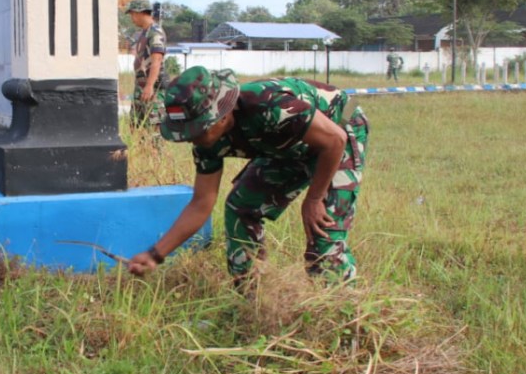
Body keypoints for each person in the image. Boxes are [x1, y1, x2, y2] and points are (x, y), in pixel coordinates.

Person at [127, 66, 369, 287]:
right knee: (241, 206)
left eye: (197, 130)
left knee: (322, 228)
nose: (192, 139)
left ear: (221, 116)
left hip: (340, 128)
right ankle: (253, 297)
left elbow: (334, 139)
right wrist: (155, 254)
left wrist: (315, 199)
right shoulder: (206, 142)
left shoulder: (269, 105)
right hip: (288, 145)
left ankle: (344, 317)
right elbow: (201, 203)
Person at [126, 0, 168, 129]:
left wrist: (149, 86)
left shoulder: (155, 32)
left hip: (152, 90)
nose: (132, 19)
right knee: (137, 128)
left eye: (132, 14)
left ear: (140, 13)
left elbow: (157, 61)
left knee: (153, 131)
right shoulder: (144, 33)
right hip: (141, 89)